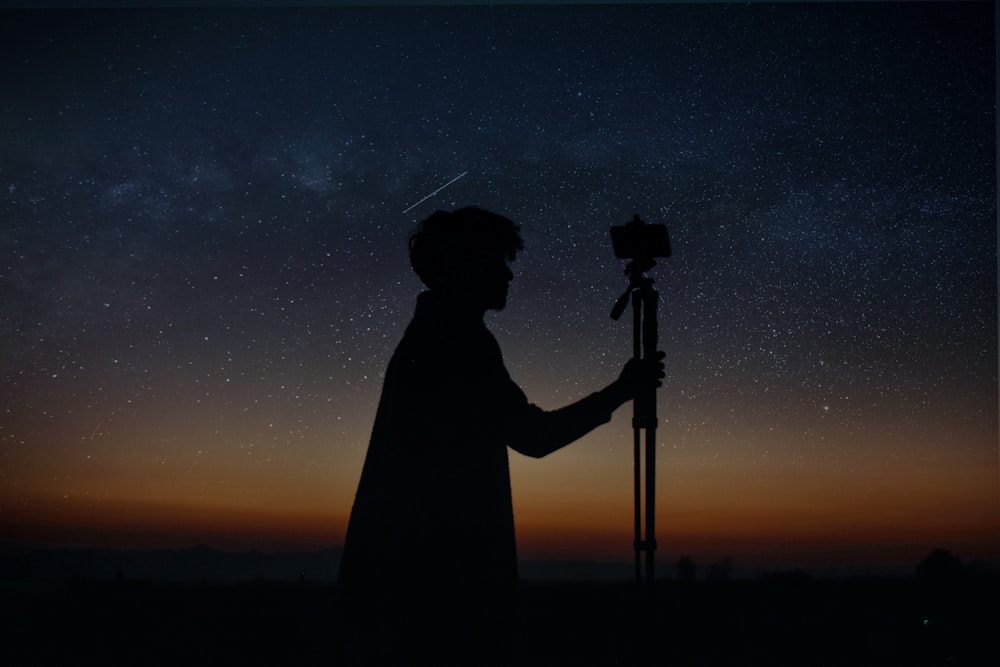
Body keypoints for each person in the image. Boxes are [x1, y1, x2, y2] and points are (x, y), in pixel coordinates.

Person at [335, 207, 664, 665]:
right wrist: (622, 391)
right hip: (439, 586)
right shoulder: (456, 340)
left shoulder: (440, 332)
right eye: (498, 261)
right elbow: (532, 435)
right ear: (466, 265)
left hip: (411, 581)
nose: (508, 275)